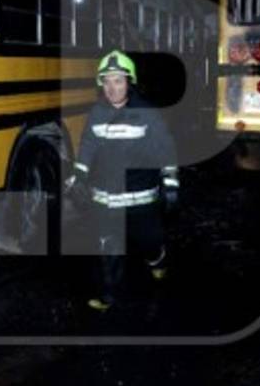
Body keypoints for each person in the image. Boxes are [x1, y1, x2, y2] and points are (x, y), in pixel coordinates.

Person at [65, 50, 179, 311]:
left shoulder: (147, 113)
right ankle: (109, 296)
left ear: (129, 82)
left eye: (118, 81)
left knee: (148, 242)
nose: (112, 88)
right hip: (106, 199)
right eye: (106, 82)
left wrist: (171, 185)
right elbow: (88, 146)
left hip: (141, 200)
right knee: (108, 248)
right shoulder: (97, 113)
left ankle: (157, 258)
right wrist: (79, 176)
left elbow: (165, 149)